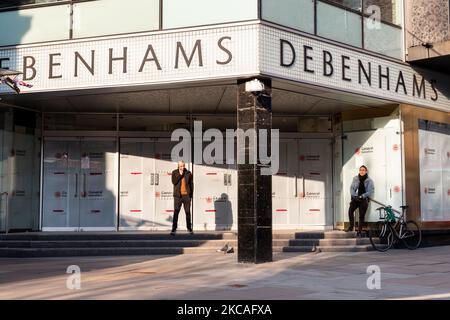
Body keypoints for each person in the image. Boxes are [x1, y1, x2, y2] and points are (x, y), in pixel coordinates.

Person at [347, 165, 374, 236]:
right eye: (360, 170)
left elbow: (369, 192)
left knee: (361, 216)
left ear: (366, 171)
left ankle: (359, 230)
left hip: (363, 199)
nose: (361, 171)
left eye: (363, 170)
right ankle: (351, 226)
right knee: (350, 211)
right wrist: (355, 196)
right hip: (356, 198)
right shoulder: (355, 178)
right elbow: (352, 188)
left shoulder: (369, 181)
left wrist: (362, 196)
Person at [171, 160, 194, 235]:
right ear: (178, 166)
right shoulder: (174, 172)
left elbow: (191, 185)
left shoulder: (188, 173)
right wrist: (180, 175)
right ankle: (173, 229)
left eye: (183, 166)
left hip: (186, 196)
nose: (182, 167)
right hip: (178, 196)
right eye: (181, 166)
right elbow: (174, 182)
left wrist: (190, 195)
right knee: (176, 212)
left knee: (187, 213)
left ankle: (189, 228)